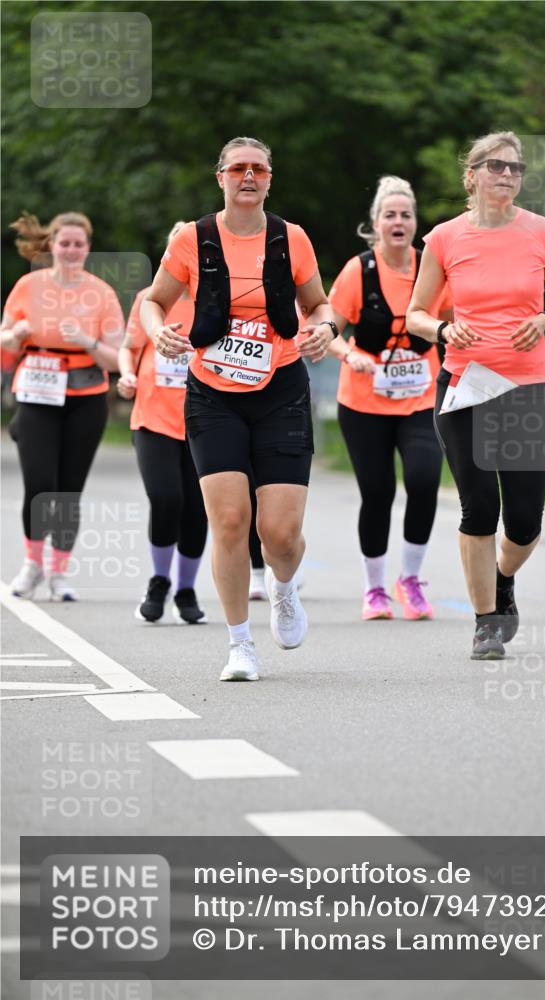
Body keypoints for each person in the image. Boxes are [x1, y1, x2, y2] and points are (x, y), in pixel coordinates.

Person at [141, 136, 338, 681]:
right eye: (238, 168)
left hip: (281, 388)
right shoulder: (192, 238)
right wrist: (158, 334)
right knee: (229, 521)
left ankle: (282, 585)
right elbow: (153, 302)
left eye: (259, 169)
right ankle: (239, 645)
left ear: (270, 178)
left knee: (279, 535)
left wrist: (325, 327)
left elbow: (318, 303)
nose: (248, 176)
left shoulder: (290, 238)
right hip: (212, 393)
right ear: (220, 177)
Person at [406, 131, 545, 660]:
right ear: (472, 174)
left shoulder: (544, 234)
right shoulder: (443, 239)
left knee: (525, 520)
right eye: (496, 166)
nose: (507, 175)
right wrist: (442, 331)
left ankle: (504, 577)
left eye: (516, 168)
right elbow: (416, 314)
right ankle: (485, 621)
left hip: (527, 389)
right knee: (478, 507)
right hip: (465, 387)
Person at [328, 176, 446, 621]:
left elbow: (457, 321)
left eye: (406, 215)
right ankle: (375, 589)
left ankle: (410, 580)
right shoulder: (360, 270)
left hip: (419, 399)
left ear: (416, 222)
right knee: (377, 492)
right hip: (363, 402)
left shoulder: (432, 268)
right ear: (375, 223)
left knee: (422, 480)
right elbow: (330, 331)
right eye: (390, 215)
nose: (398, 222)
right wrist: (349, 354)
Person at [1, 212, 123, 601]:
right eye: (64, 243)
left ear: (87, 248)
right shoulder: (27, 286)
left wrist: (87, 341)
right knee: (40, 485)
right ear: (51, 245)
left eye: (79, 244)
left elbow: (116, 358)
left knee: (69, 490)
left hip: (85, 396)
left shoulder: (101, 293)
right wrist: (15, 334)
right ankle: (32, 564)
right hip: (37, 390)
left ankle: (59, 572)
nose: (71, 250)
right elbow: (4, 341)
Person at [117, 222, 208, 625]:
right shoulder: (149, 301)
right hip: (153, 419)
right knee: (167, 499)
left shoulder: (214, 303)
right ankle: (158, 581)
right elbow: (129, 348)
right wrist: (126, 375)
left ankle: (186, 588)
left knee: (197, 510)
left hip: (204, 421)